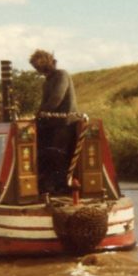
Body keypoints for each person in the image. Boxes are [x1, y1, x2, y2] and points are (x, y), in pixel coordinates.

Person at [29, 49, 78, 193]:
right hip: (52, 123)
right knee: (45, 152)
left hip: (66, 122)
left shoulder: (62, 75)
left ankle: (62, 186)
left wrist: (41, 113)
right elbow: (45, 102)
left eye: (38, 66)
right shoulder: (47, 81)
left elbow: (56, 99)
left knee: (58, 155)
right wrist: (38, 115)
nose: (38, 70)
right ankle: (46, 183)